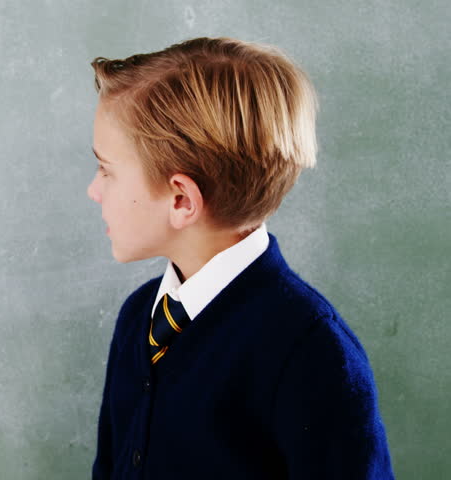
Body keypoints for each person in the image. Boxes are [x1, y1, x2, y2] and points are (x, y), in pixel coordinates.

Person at [86, 37, 394, 479]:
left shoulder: (312, 351)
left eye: (106, 170)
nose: (94, 190)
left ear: (181, 200)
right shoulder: (140, 317)